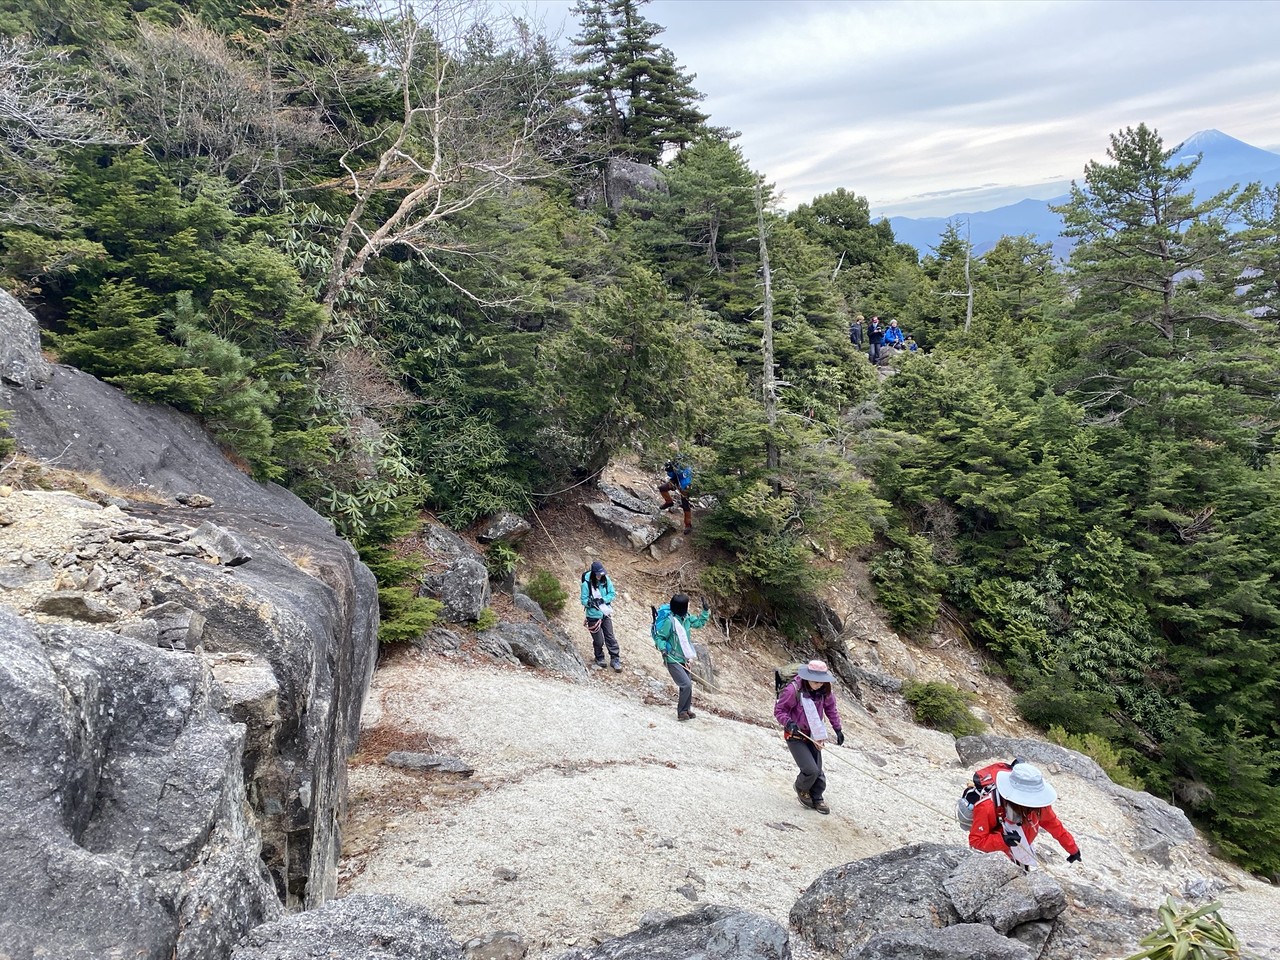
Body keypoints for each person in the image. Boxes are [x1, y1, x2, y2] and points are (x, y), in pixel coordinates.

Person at [968, 762, 1081, 868]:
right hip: (995, 859)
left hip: (1021, 853)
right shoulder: (987, 807)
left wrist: (1072, 848)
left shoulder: (1039, 806)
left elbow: (1054, 825)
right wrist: (1002, 840)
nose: (1032, 803)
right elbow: (976, 842)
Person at [774, 659, 845, 815]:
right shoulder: (793, 690)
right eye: (815, 681)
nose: (819, 684)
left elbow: (831, 709)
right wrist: (788, 722)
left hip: (814, 733)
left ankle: (817, 797)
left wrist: (838, 729)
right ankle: (801, 787)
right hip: (795, 735)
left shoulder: (825, 691)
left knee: (818, 770)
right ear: (807, 678)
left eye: (821, 681)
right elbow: (779, 711)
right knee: (810, 769)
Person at [653, 593, 710, 720]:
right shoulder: (670, 622)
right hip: (672, 658)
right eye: (687, 605)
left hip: (684, 658)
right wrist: (662, 648)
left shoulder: (687, 619)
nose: (689, 606)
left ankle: (687, 709)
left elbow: (699, 623)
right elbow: (660, 637)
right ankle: (681, 712)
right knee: (686, 685)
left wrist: (705, 611)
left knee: (688, 683)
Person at [581, 560, 620, 671]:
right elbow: (583, 600)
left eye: (601, 574)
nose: (600, 576)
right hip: (593, 615)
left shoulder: (606, 580)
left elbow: (612, 594)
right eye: (598, 574)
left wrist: (603, 600)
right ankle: (599, 657)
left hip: (605, 613)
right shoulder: (586, 584)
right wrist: (591, 603)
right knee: (598, 640)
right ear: (594, 574)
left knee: (610, 637)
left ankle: (615, 658)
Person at [658, 457, 694, 535]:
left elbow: (685, 474)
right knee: (663, 488)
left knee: (685, 504)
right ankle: (669, 502)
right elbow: (672, 475)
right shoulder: (674, 460)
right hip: (677, 479)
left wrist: (682, 487)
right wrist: (669, 470)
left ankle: (688, 524)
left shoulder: (686, 462)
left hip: (686, 484)